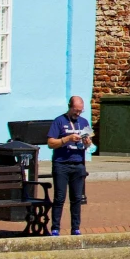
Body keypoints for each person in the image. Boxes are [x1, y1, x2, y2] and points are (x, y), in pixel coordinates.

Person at [47, 96, 94, 236]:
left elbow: (90, 144)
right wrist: (67, 139)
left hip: (78, 164)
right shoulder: (59, 121)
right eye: (75, 110)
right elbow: (50, 143)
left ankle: (75, 228)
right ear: (69, 106)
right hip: (61, 164)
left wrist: (87, 142)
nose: (77, 114)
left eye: (80, 111)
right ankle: (55, 228)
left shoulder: (84, 122)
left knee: (77, 198)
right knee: (60, 197)